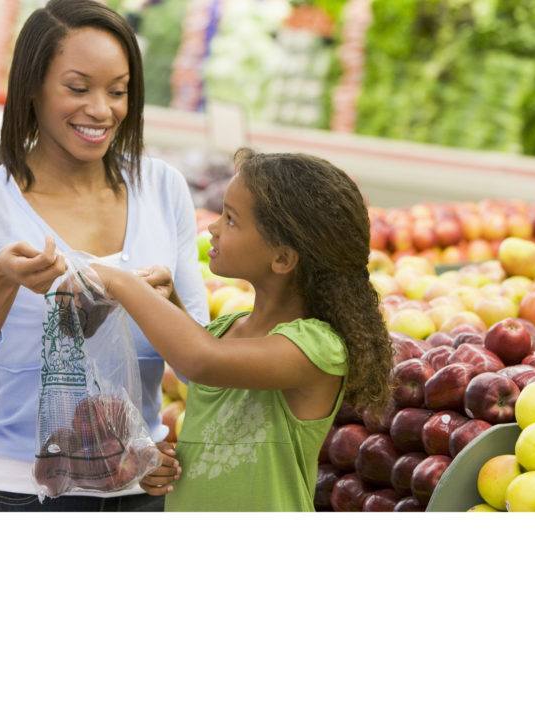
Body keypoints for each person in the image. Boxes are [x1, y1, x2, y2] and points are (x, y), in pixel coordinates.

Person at [0, 0, 208, 511]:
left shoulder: (162, 188)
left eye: (118, 91)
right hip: (23, 499)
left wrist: (167, 307)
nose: (101, 109)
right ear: (32, 87)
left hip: (141, 496)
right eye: (78, 88)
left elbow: (200, 373)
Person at [88, 149, 393, 511]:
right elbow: (198, 366)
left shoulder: (316, 347)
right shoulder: (226, 328)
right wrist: (163, 464)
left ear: (282, 258)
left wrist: (122, 283)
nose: (213, 228)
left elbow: (202, 361)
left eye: (231, 219)